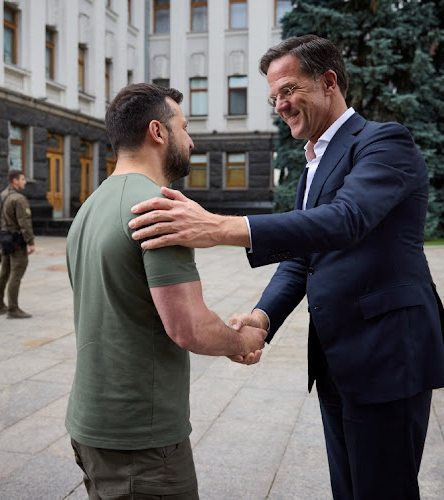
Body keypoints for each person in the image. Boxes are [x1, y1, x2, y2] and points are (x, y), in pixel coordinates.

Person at [127, 35, 444, 499]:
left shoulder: (383, 142)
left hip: (388, 355)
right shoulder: (312, 165)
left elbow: (347, 220)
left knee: (384, 490)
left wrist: (220, 227)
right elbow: (303, 258)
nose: (280, 105)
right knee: (350, 489)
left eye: (288, 90)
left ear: (328, 82)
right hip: (338, 358)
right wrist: (262, 318)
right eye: (273, 96)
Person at [64, 83, 267, 500]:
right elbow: (188, 326)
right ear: (158, 132)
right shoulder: (161, 208)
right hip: (141, 441)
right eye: (185, 127)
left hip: (90, 424)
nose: (190, 140)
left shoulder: (90, 205)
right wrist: (242, 339)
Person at [0, 169, 35, 319]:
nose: (25, 182)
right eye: (23, 179)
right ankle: (13, 309)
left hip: (3, 240)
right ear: (15, 181)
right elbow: (24, 223)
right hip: (17, 241)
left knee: (4, 272)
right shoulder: (19, 198)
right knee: (16, 274)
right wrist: (30, 242)